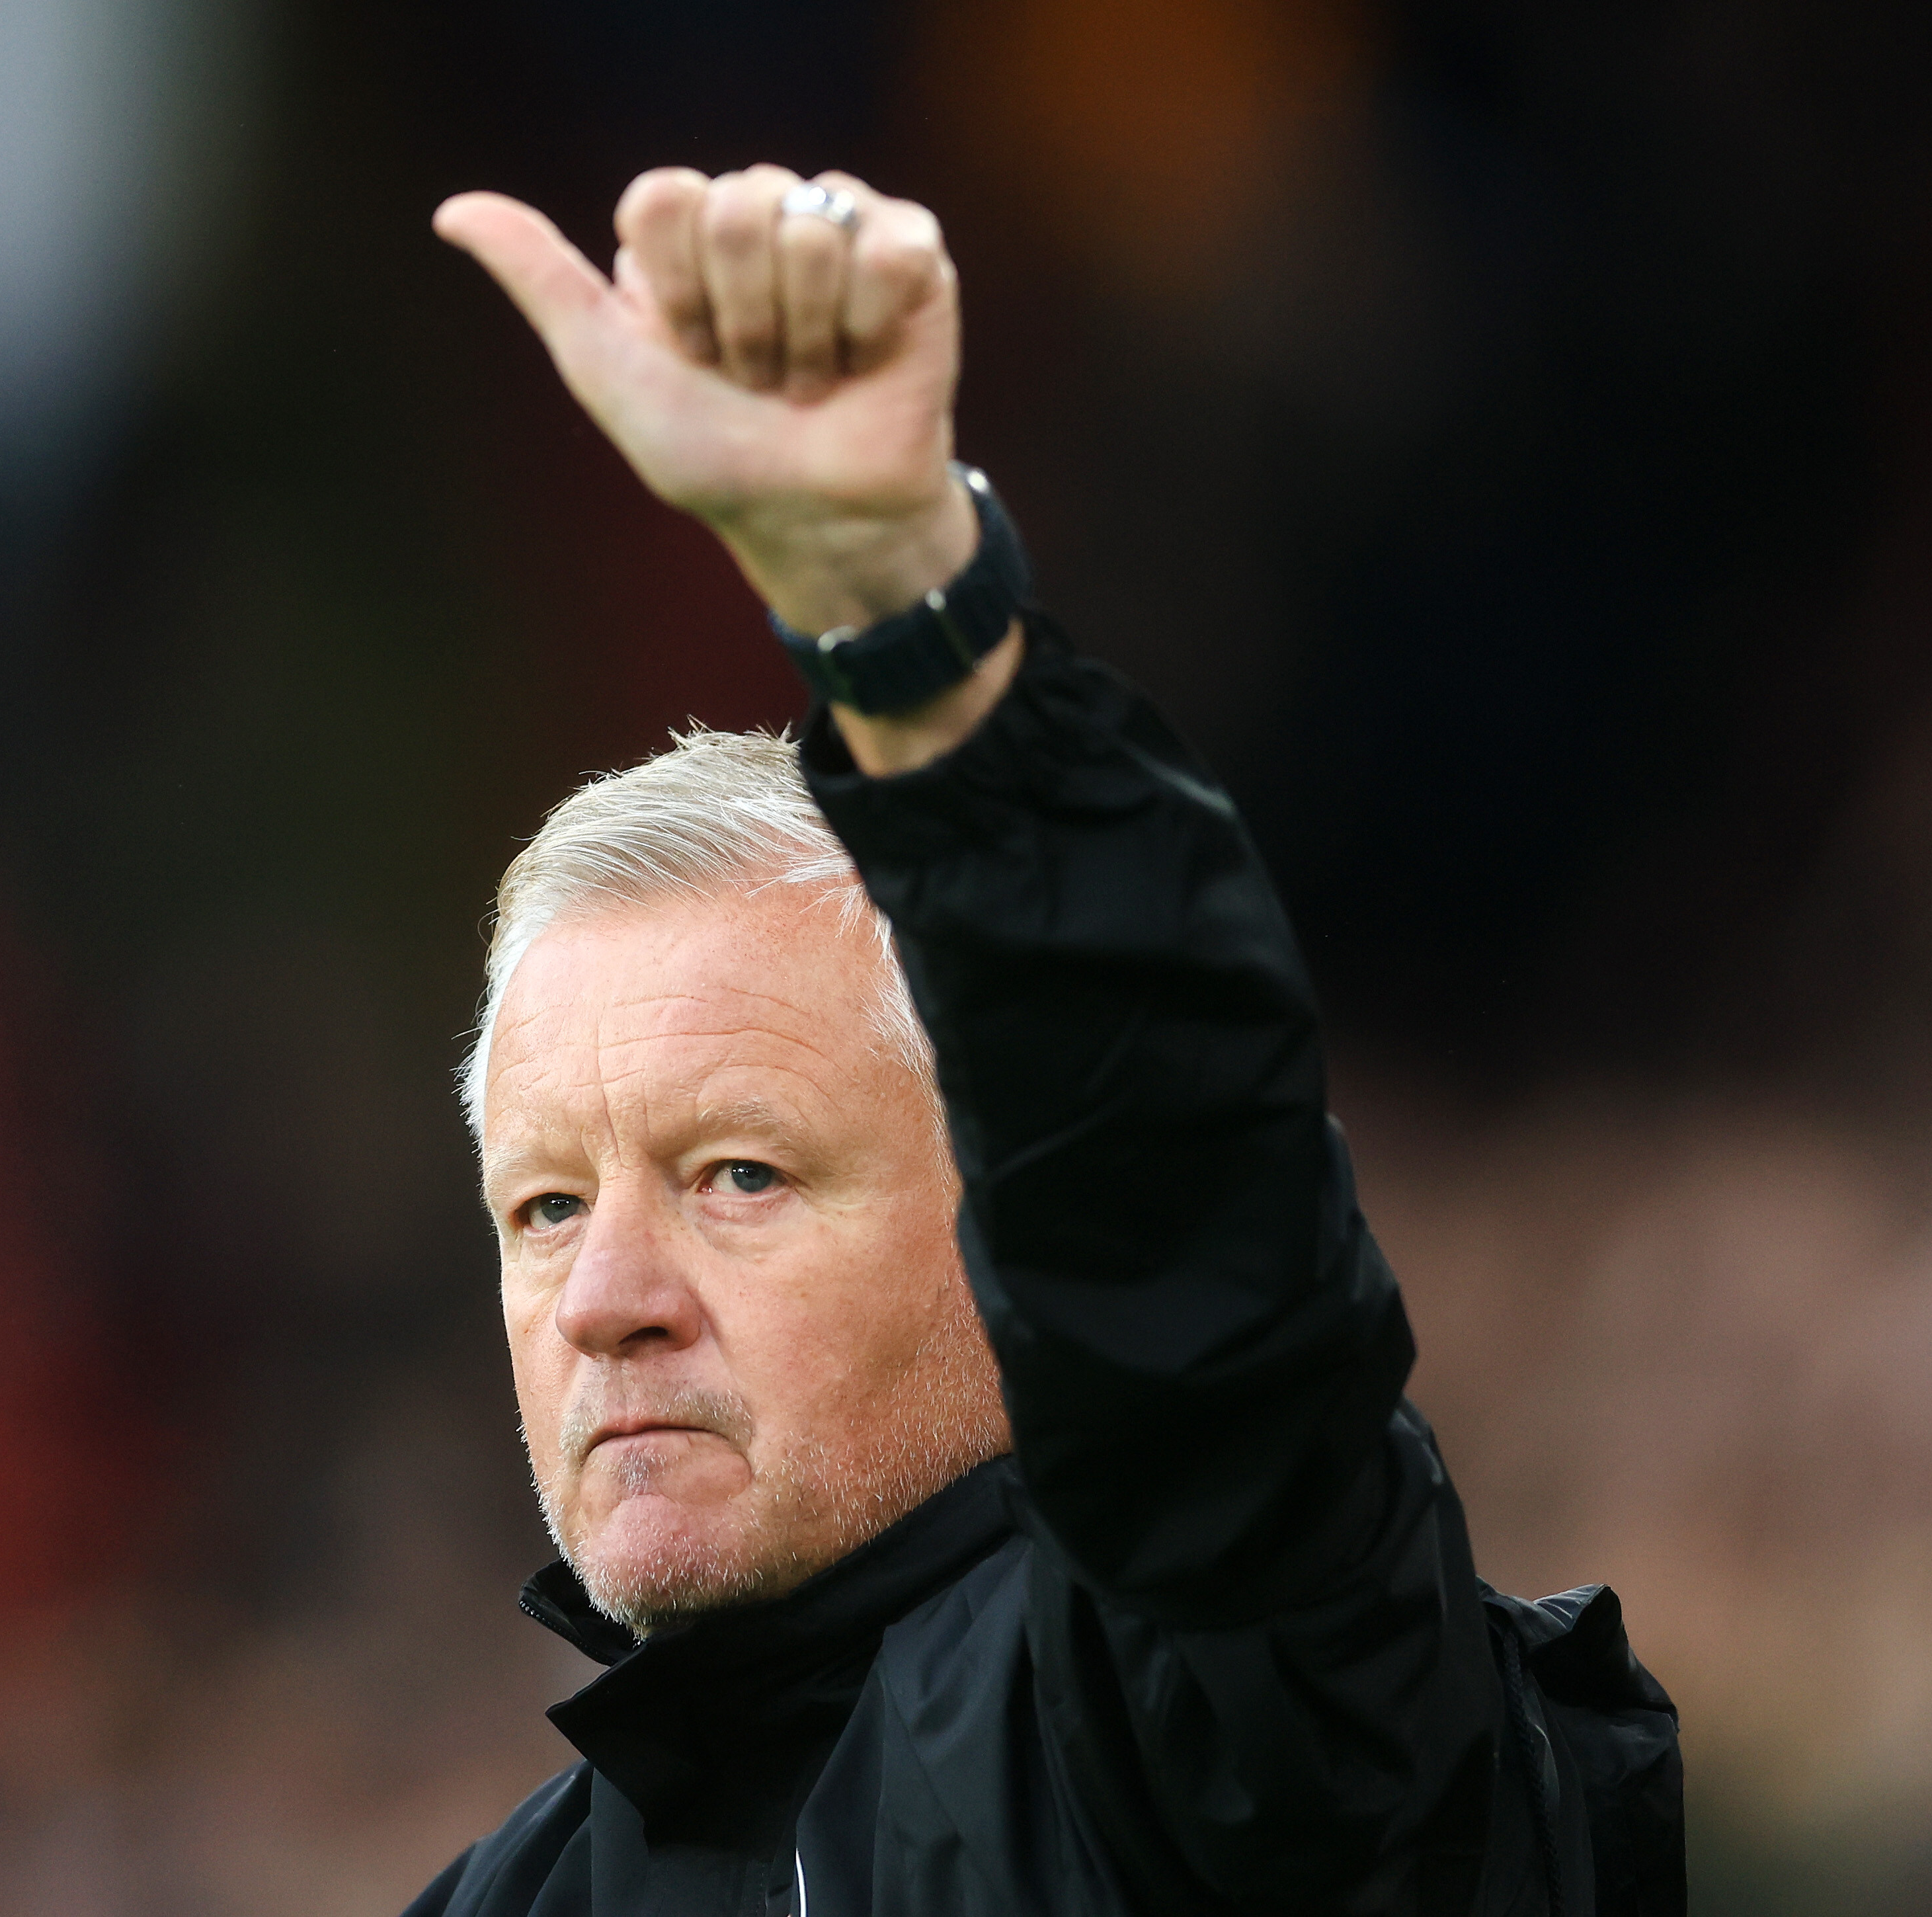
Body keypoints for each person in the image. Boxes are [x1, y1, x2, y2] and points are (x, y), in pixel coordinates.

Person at [415, 163, 1682, 1917]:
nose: (604, 1298)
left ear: (1023, 1244)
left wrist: (910, 629)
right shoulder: (502, 1901)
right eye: (547, 1206)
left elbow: (1182, 1236)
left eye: (738, 1174)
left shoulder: (1219, 1741)